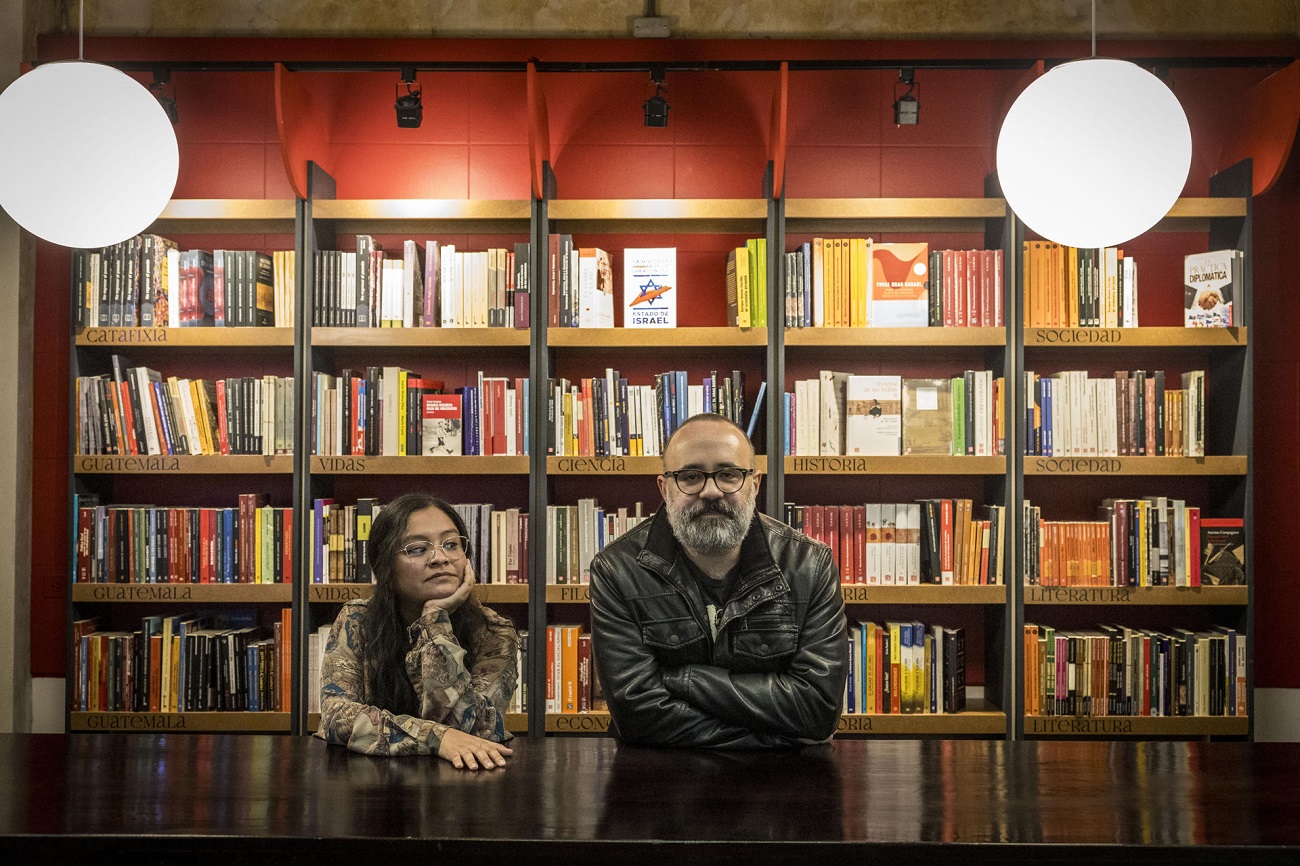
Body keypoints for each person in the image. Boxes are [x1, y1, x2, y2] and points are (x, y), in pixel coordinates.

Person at [589, 413, 848, 748]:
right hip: (657, 775)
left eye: (728, 474)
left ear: (754, 484)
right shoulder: (617, 570)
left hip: (781, 779)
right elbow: (637, 715)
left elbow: (818, 708)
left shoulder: (810, 565)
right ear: (665, 488)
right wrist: (781, 737)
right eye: (690, 476)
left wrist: (683, 680)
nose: (711, 491)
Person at [317, 493, 519, 769]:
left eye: (451, 544)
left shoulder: (494, 632)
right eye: (417, 549)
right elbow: (337, 718)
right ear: (385, 567)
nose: (440, 558)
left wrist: (434, 622)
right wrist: (436, 738)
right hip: (371, 780)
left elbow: (471, 730)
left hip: (462, 782)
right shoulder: (357, 620)